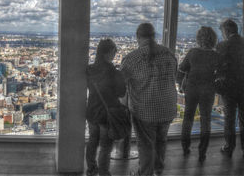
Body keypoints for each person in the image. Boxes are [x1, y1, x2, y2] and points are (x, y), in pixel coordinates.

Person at [121, 23, 177, 176]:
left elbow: (120, 85)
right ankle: (158, 168)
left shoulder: (131, 59)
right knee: (161, 139)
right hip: (168, 106)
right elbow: (175, 76)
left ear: (138, 37)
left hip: (144, 109)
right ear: (154, 35)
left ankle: (145, 173)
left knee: (146, 144)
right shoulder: (169, 53)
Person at [177, 26, 219, 162]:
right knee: (206, 120)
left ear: (199, 38)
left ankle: (185, 147)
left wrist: (182, 84)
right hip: (208, 90)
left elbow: (182, 69)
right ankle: (202, 152)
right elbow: (220, 73)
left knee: (188, 119)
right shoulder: (215, 55)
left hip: (192, 89)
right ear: (213, 39)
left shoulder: (193, 52)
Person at [86, 39, 126, 176]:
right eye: (114, 52)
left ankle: (91, 169)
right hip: (108, 114)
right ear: (108, 53)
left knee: (92, 141)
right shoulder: (115, 73)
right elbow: (121, 93)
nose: (115, 54)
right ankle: (104, 172)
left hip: (92, 111)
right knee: (105, 146)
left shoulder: (89, 70)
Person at [216, 19, 244, 158]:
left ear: (226, 31)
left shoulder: (222, 45)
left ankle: (229, 147)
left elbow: (218, 66)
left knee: (229, 118)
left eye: (222, 31)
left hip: (229, 87)